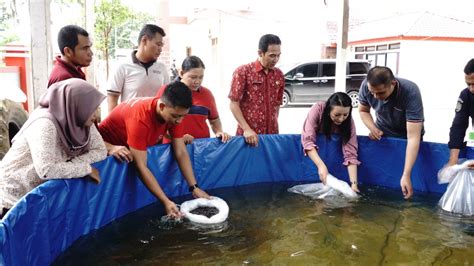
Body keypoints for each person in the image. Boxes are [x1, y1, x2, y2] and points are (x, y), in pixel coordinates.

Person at [98, 81, 210, 218]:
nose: (180, 121)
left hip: (130, 144)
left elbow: (180, 152)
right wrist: (165, 201)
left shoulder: (174, 113)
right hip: (103, 147)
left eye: (183, 116)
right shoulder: (140, 118)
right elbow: (140, 166)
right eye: (176, 116)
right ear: (162, 106)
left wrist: (194, 187)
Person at [0, 79, 107, 219]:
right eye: (93, 108)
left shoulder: (80, 120)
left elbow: (100, 150)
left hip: (38, 195)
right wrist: (85, 169)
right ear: (76, 105)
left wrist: (72, 165)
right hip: (14, 199)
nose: (96, 115)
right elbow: (46, 170)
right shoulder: (45, 124)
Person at [358, 66, 424, 199]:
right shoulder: (366, 85)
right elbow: (363, 110)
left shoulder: (410, 91)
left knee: (410, 175)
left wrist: (406, 175)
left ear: (393, 83)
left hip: (408, 135)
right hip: (384, 133)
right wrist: (373, 128)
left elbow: (413, 138)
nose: (376, 97)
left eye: (381, 93)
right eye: (372, 93)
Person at [156, 56, 231, 144]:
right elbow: (157, 122)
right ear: (181, 73)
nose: (197, 82)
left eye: (201, 77)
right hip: (172, 146)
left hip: (201, 147)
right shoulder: (166, 91)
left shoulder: (207, 94)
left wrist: (219, 132)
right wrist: (177, 137)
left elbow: (214, 120)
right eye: (193, 77)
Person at [228, 34, 284, 147]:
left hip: (271, 137)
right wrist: (246, 129)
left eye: (278, 55)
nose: (276, 59)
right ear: (260, 53)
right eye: (272, 56)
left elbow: (277, 104)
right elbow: (234, 104)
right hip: (248, 137)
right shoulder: (243, 72)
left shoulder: (279, 75)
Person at [301, 92, 360, 192]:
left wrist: (354, 185)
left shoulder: (349, 122)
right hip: (316, 159)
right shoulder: (318, 109)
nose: (341, 119)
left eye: (345, 114)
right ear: (328, 110)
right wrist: (321, 165)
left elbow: (351, 154)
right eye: (337, 115)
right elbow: (307, 141)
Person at [106, 24, 170, 114]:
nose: (160, 49)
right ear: (144, 40)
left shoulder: (161, 68)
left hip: (155, 124)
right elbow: (112, 101)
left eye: (161, 46)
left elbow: (166, 97)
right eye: (158, 44)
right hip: (130, 123)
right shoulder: (122, 66)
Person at [446, 59, 474, 167]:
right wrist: (453, 161)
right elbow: (458, 126)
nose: (471, 89)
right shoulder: (466, 95)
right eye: (468, 84)